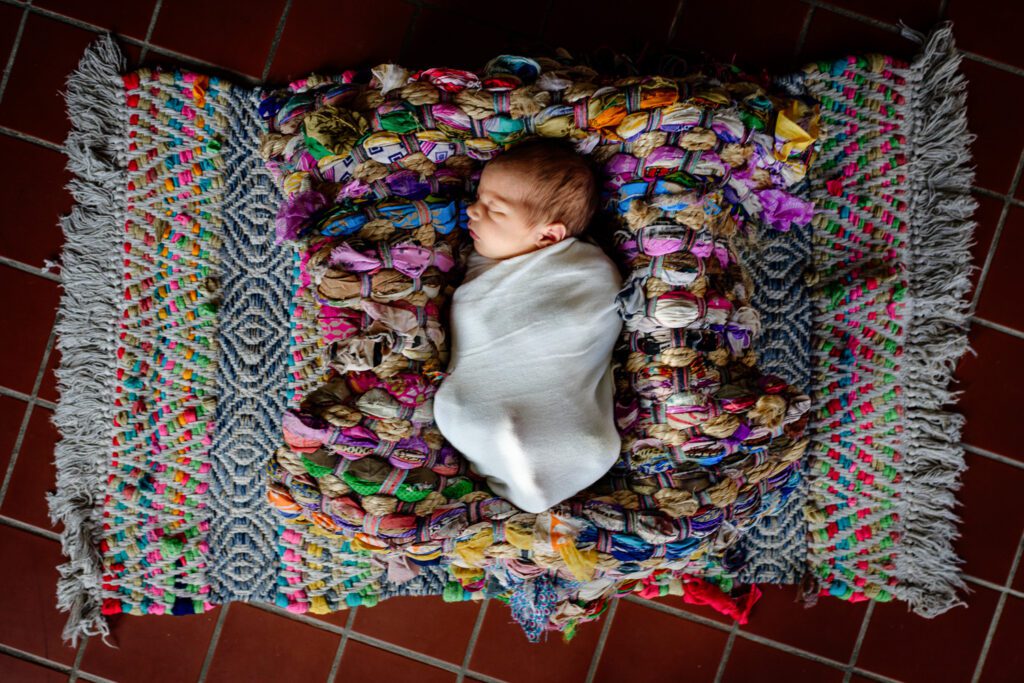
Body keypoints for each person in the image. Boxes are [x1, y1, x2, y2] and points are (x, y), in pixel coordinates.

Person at [432, 137, 624, 514]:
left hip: (564, 418)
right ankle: (513, 447)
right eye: (479, 198)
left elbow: (585, 316)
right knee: (493, 422)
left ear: (548, 237)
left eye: (495, 210)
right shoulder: (480, 259)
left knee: (575, 441)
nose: (472, 211)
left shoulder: (584, 271)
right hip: (487, 400)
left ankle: (529, 451)